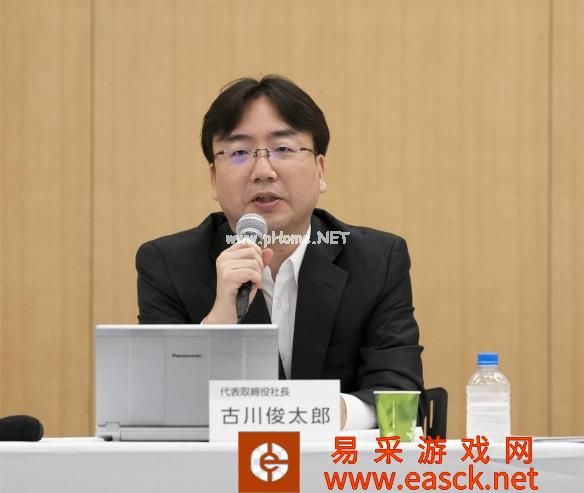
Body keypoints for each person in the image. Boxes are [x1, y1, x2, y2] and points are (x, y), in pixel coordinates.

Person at [136, 75, 424, 429]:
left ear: (320, 170)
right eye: (239, 152)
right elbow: (157, 408)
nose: (263, 171)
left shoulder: (377, 260)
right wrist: (219, 321)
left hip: (336, 463)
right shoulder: (168, 265)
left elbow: (401, 400)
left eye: (284, 149)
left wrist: (322, 413)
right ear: (213, 178)